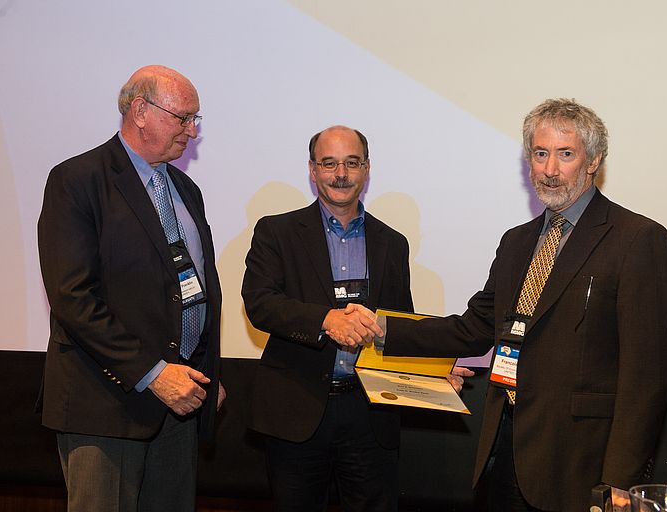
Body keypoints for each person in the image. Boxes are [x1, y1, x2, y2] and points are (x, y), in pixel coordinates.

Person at [375, 99, 667, 511]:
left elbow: (646, 378)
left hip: (580, 465)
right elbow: (474, 327)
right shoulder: (516, 241)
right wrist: (381, 329)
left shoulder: (637, 239)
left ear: (593, 161)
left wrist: (621, 481)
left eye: (565, 154)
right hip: (504, 452)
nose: (550, 169)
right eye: (540, 154)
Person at [242, 125, 470, 512]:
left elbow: (399, 325)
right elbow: (260, 303)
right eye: (329, 163)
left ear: (366, 169)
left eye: (351, 163)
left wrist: (431, 373)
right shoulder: (276, 232)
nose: (341, 174)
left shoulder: (392, 242)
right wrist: (325, 320)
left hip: (370, 415)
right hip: (297, 409)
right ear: (312, 170)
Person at [37, 65, 224, 512]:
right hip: (106, 405)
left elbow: (193, 290)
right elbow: (73, 298)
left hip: (179, 403)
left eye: (195, 119)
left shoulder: (186, 189)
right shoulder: (78, 180)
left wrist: (205, 372)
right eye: (183, 118)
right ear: (140, 111)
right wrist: (154, 373)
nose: (192, 131)